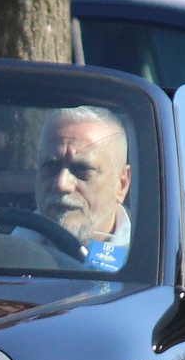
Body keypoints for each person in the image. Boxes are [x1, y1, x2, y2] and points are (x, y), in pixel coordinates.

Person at [37, 106, 132, 270]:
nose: (61, 184)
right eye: (50, 166)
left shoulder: (153, 264)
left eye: (83, 169)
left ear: (121, 184)